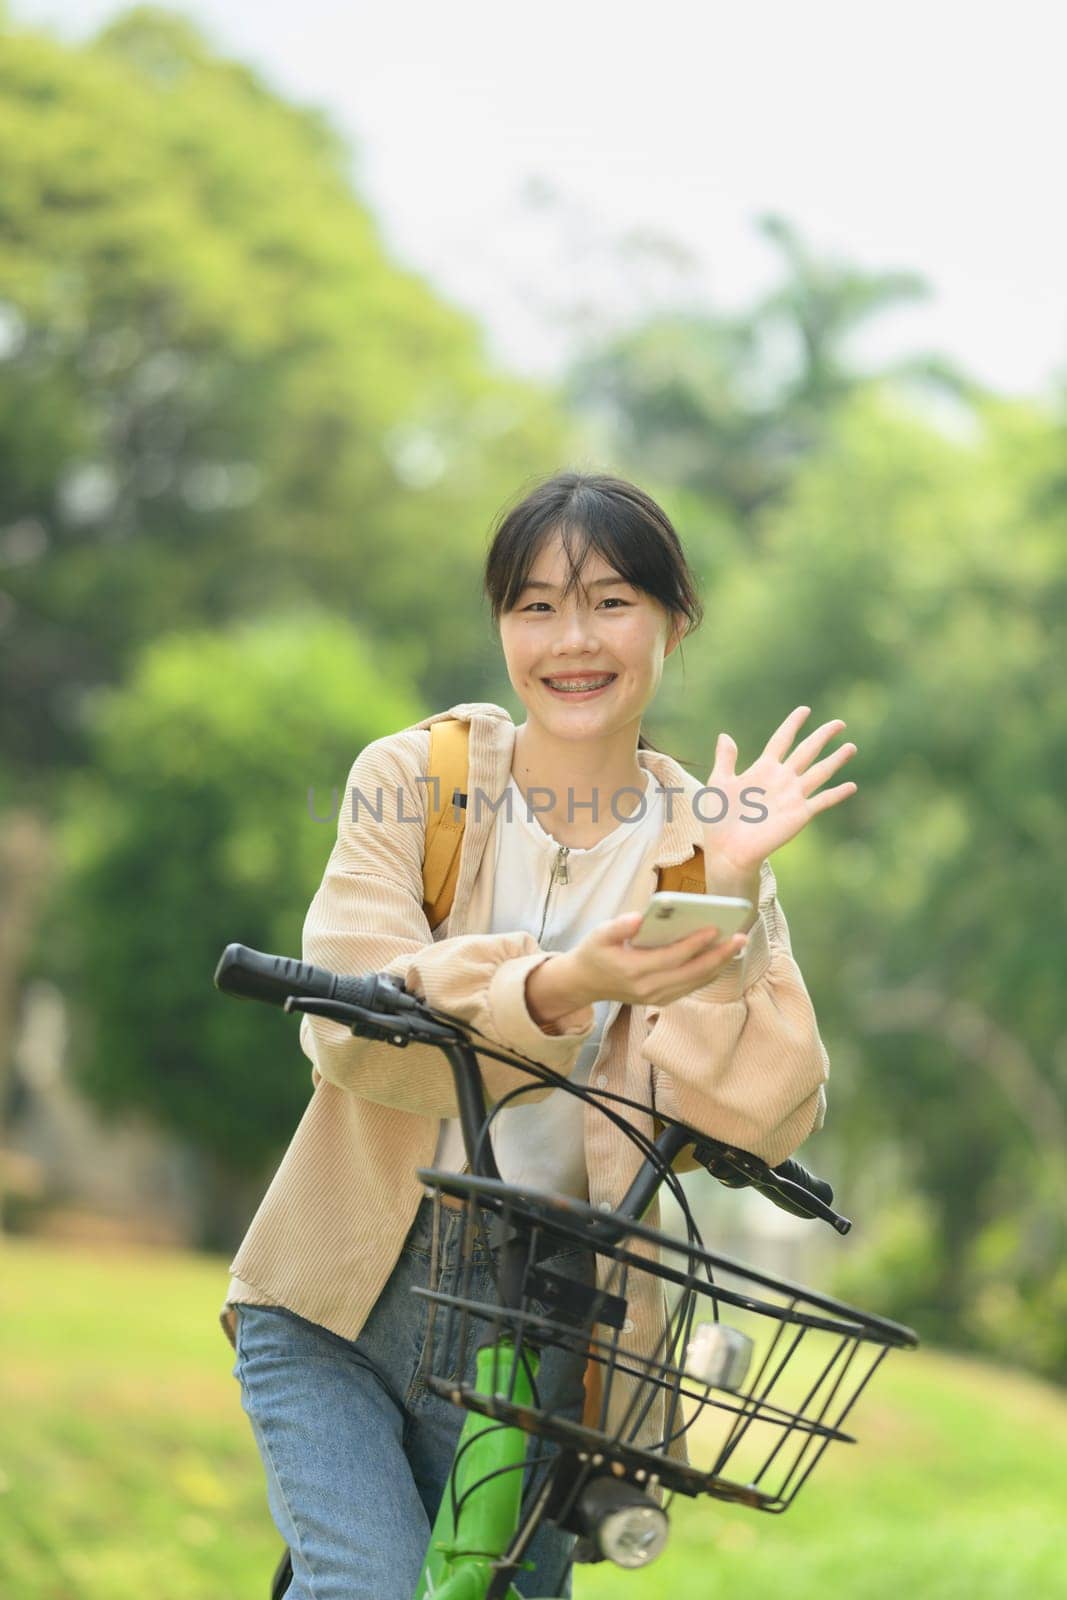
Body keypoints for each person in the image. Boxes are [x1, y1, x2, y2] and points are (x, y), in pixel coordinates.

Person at [220, 470, 853, 1599]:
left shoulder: (696, 836)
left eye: (610, 601)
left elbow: (757, 1113)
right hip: (340, 1300)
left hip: (560, 1331)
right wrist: (562, 985)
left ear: (672, 620)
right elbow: (351, 1024)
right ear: (501, 624)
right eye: (534, 605)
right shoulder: (419, 781)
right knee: (368, 1583)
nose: (573, 639)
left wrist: (732, 889)